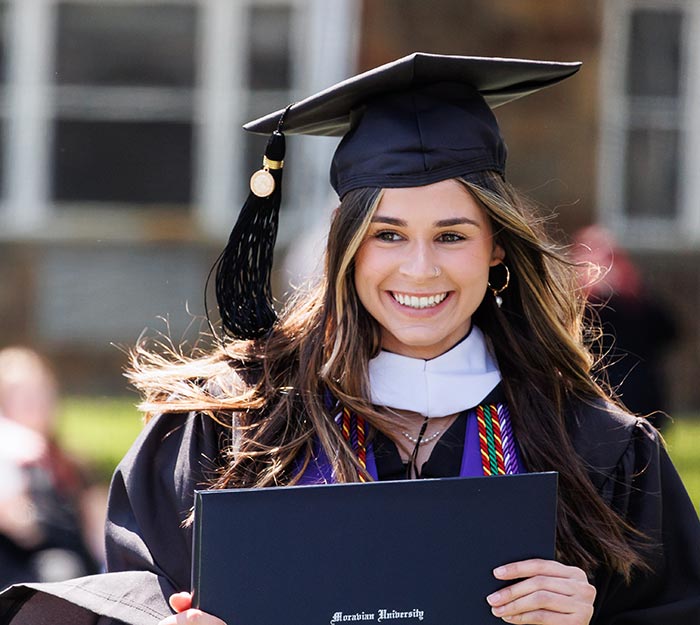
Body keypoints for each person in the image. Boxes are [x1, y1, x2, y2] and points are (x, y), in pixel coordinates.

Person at [1, 53, 699, 625]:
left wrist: (586, 619)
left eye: (452, 236)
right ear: (345, 249)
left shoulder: (595, 447)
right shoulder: (233, 423)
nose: (419, 269)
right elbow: (128, 593)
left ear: (496, 248)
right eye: (386, 234)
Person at [0, 347, 100, 590]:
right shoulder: (8, 462)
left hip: (78, 578)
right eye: (19, 393)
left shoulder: (73, 465)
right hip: (20, 576)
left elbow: (99, 537)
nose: (34, 401)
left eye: (40, 390)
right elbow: (23, 528)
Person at [572, 225, 678, 430]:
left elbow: (669, 332)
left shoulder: (636, 298)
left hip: (640, 395)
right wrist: (584, 298)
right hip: (594, 400)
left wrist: (633, 294)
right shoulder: (571, 303)